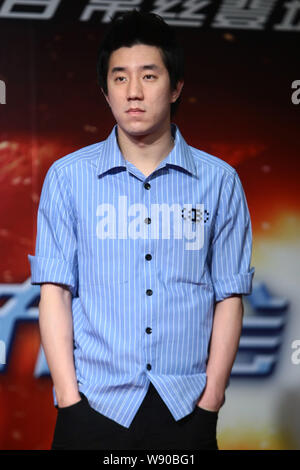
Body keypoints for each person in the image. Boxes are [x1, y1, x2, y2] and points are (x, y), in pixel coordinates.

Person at [28, 9, 255, 450]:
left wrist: (211, 401)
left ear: (176, 86)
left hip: (185, 409)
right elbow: (54, 292)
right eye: (119, 78)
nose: (133, 92)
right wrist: (70, 401)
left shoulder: (220, 181)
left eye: (149, 76)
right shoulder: (67, 177)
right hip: (92, 407)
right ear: (105, 90)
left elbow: (228, 295)